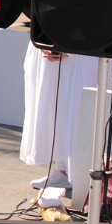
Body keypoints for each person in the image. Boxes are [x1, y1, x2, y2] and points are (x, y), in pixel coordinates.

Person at [21, 46, 99, 191]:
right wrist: (41, 43)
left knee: (74, 106)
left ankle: (75, 172)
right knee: (53, 107)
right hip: (49, 46)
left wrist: (70, 48)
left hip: (81, 50)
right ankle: (63, 169)